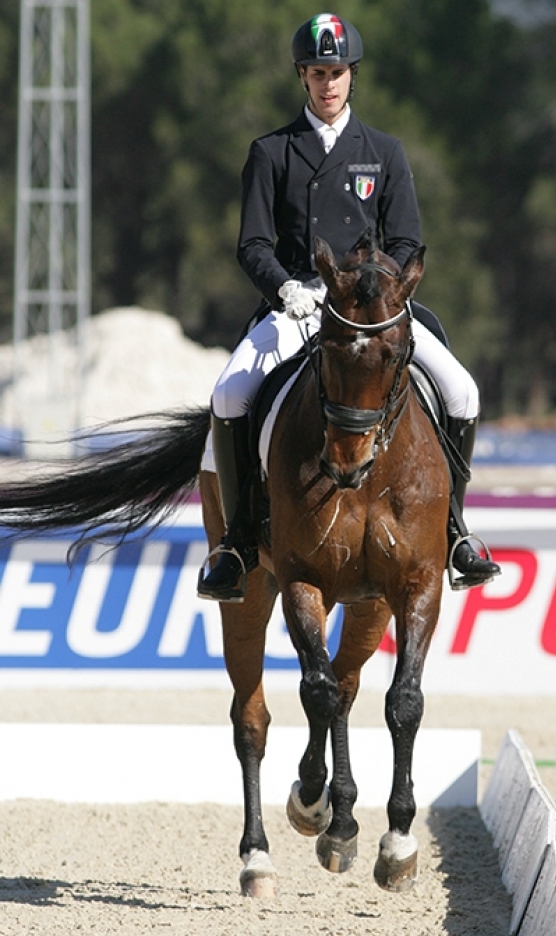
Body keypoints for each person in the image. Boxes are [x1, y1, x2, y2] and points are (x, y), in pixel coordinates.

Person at [197, 12, 500, 602]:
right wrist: (286, 287)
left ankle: (457, 532)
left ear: (351, 76)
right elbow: (252, 244)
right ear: (302, 78)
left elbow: (408, 239)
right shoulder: (272, 152)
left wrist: (380, 284)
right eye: (316, 73)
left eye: (336, 72)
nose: (327, 84)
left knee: (463, 391)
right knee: (228, 394)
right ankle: (235, 543)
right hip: (298, 302)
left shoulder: (384, 151)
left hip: (370, 306)